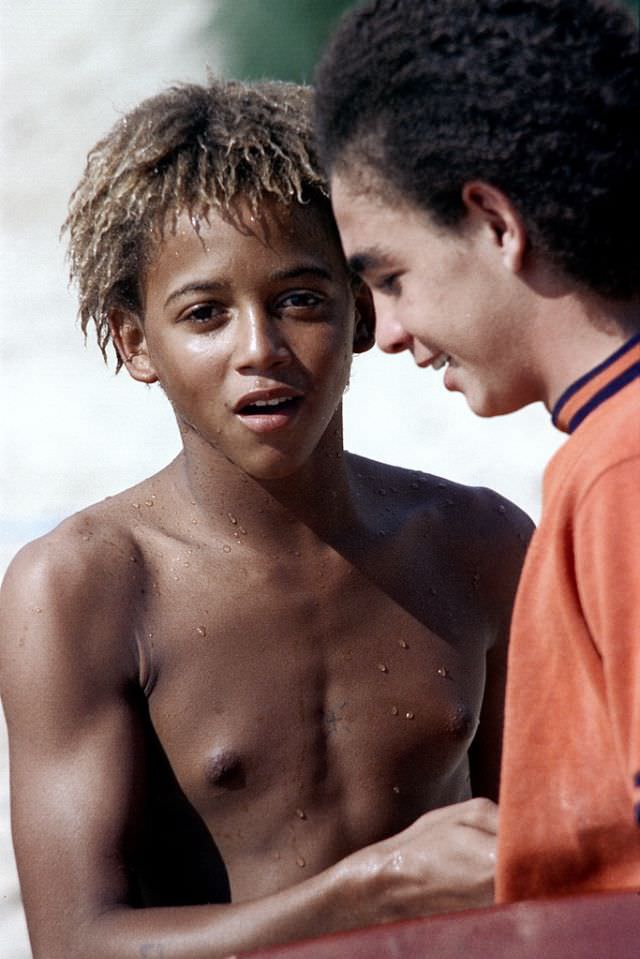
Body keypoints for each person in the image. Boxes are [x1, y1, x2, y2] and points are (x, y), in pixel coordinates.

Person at [0, 79, 532, 959]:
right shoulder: (84, 587)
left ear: (363, 311)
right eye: (205, 314)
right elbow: (78, 943)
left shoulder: (480, 544)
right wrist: (373, 889)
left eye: (301, 299)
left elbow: (545, 863)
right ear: (136, 342)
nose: (261, 349)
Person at [314, 0, 640, 948]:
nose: (389, 332)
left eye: (391, 276)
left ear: (495, 221)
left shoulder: (618, 469)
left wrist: (516, 868)